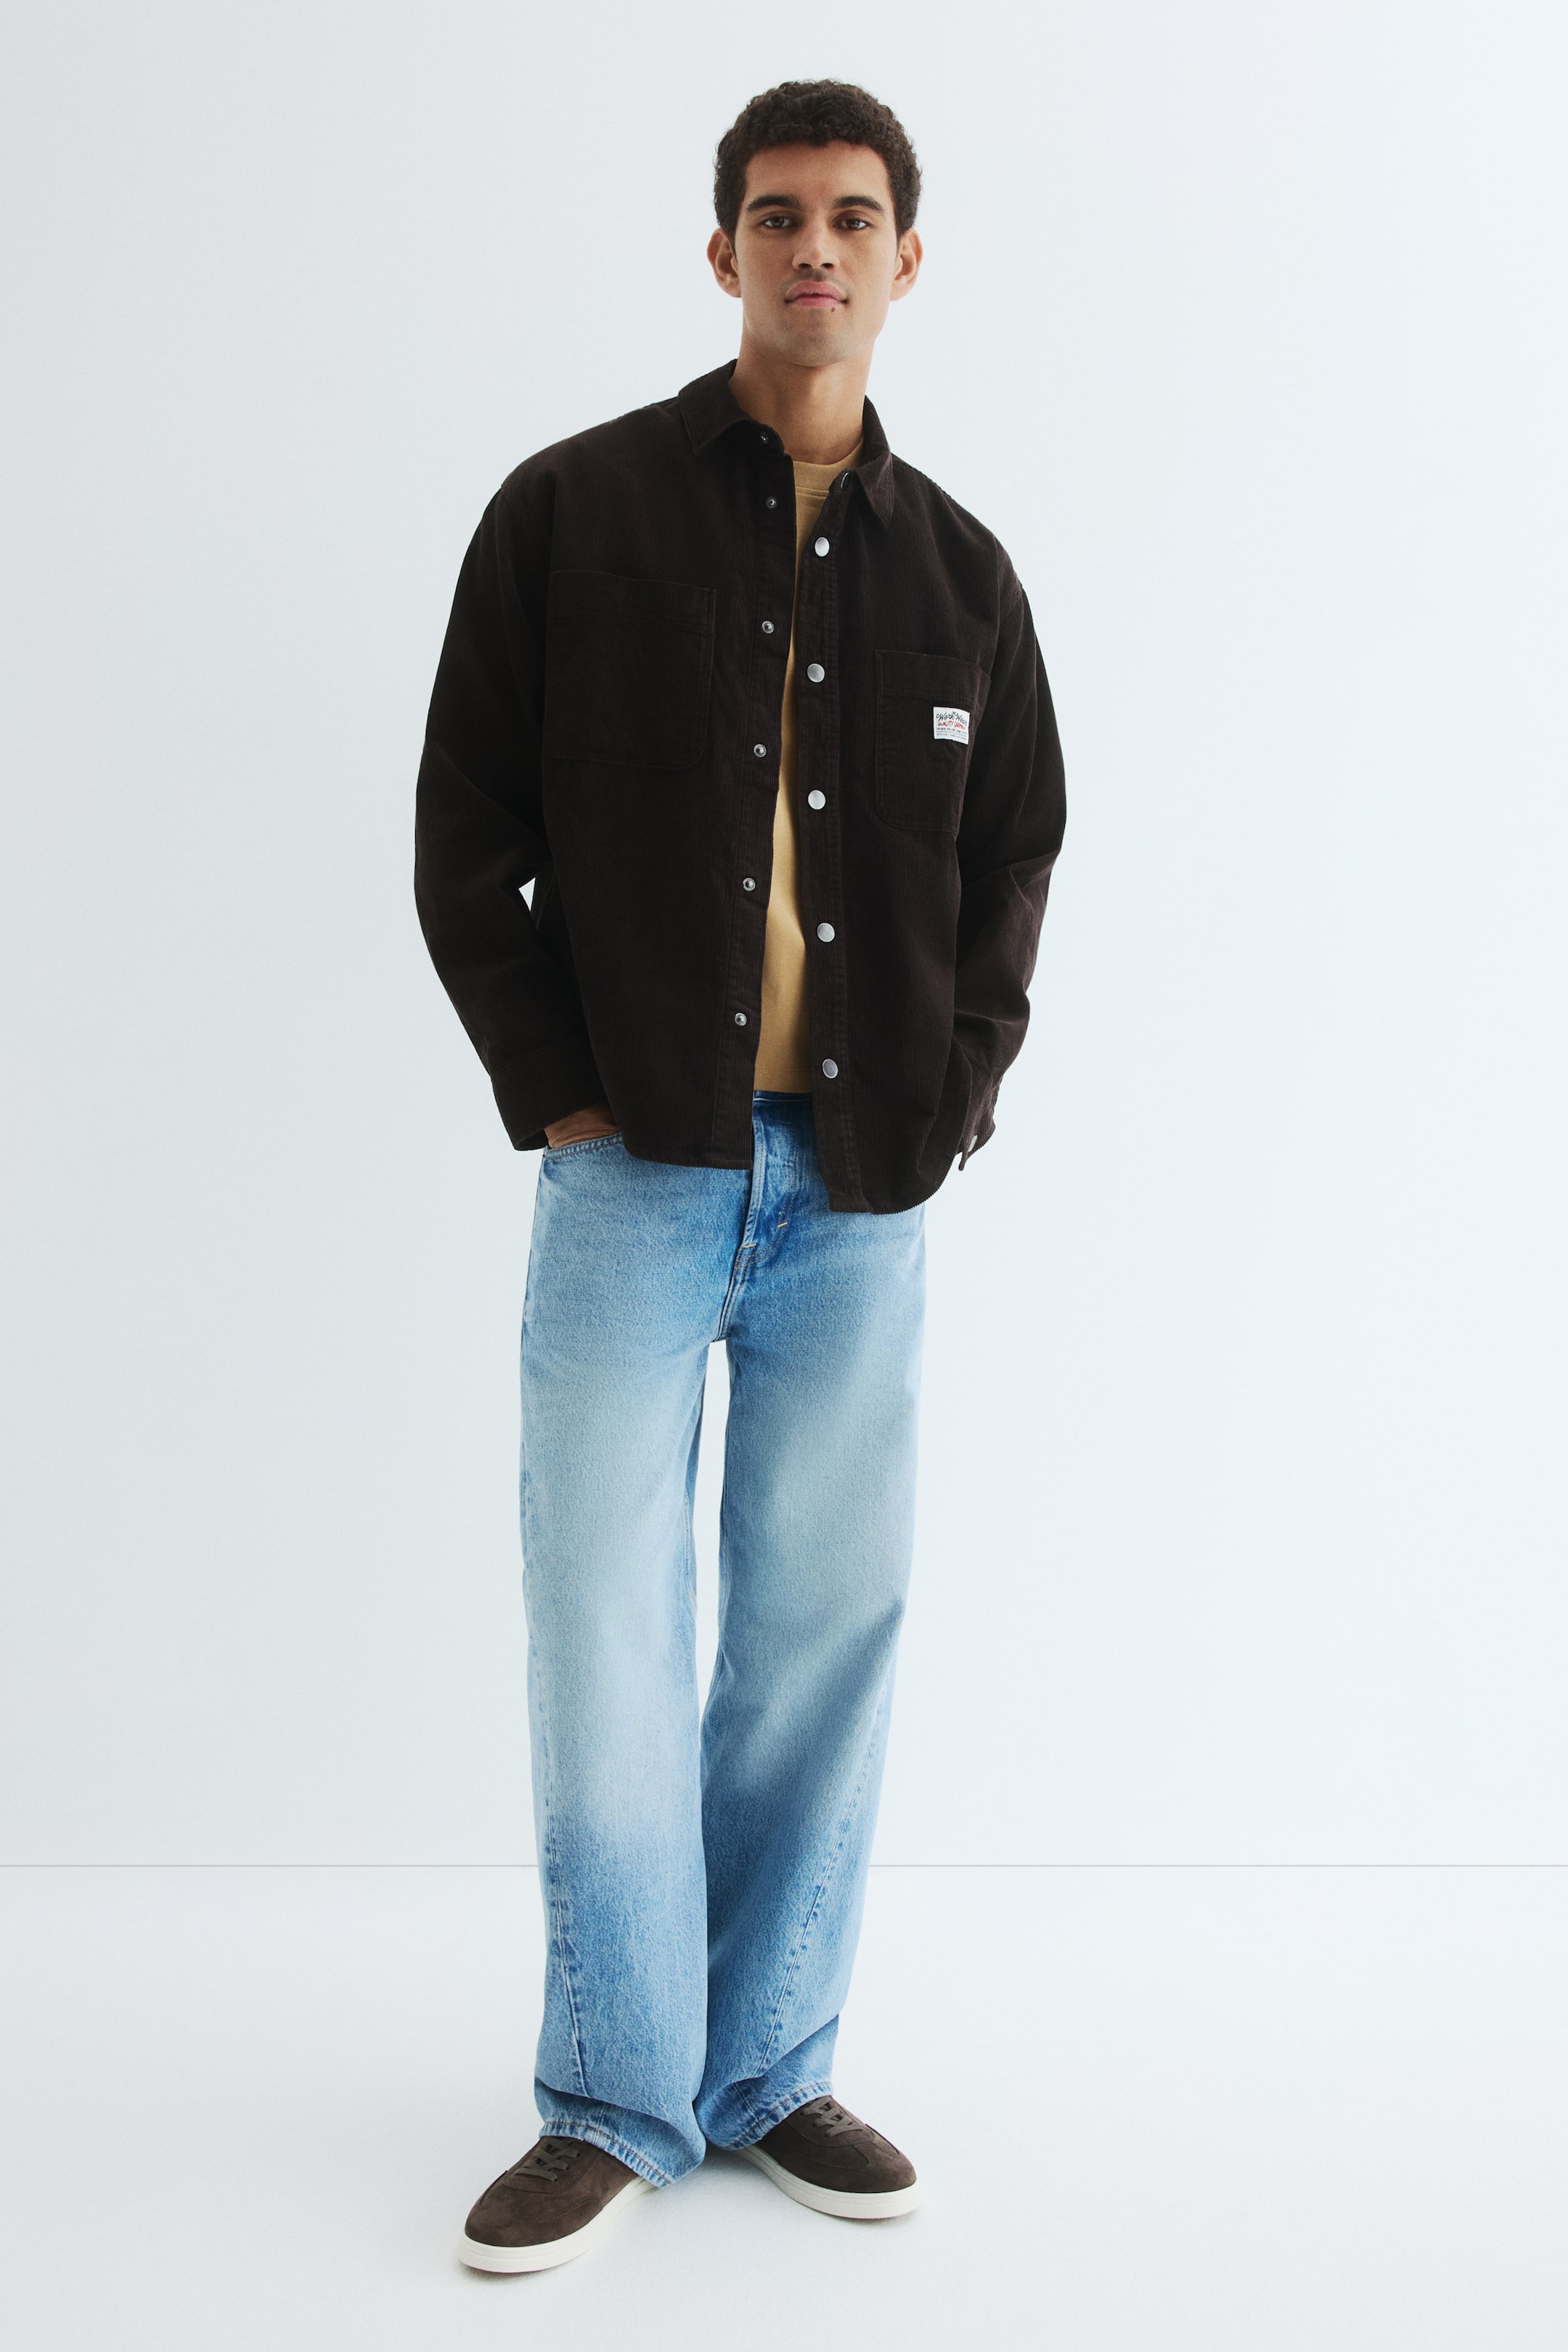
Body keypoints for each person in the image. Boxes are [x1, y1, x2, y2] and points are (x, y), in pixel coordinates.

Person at [415, 78, 1066, 2274]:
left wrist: (954, 1092)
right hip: (636, 1171)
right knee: (608, 1625)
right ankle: (616, 2093)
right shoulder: (572, 515)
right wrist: (558, 1083)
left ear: (905, 261)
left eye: (854, 219)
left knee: (817, 1630)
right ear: (722, 254)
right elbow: (463, 829)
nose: (815, 250)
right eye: (778, 217)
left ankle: (767, 2064)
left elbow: (1017, 853)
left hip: (860, 1193)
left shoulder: (962, 573)